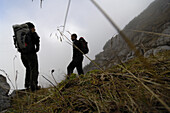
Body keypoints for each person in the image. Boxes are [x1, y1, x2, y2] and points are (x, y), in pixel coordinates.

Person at [19, 22, 40, 91]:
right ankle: (34, 87)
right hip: (31, 54)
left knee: (28, 69)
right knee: (34, 70)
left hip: (23, 55)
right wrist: (37, 48)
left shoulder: (21, 34)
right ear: (31, 28)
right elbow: (36, 40)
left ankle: (27, 86)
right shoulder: (30, 32)